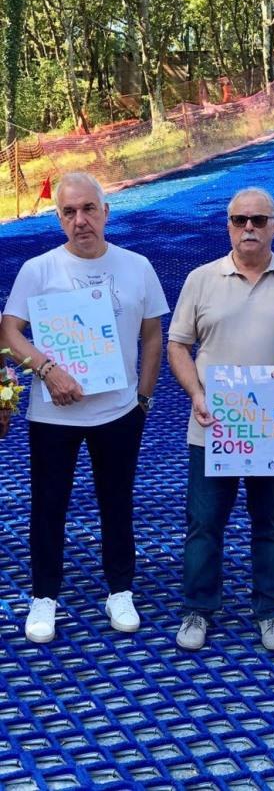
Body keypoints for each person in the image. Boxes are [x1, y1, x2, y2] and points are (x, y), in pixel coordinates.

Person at [0, 172, 168, 642]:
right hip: (53, 416)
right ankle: (44, 597)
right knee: (48, 504)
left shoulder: (137, 266)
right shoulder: (39, 270)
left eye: (89, 209)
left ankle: (120, 590)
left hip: (118, 411)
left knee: (117, 502)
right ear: (59, 219)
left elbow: (153, 336)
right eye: (69, 212)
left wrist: (143, 399)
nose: (81, 220)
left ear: (105, 211)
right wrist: (47, 370)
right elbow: (8, 331)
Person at [168, 187, 274, 652]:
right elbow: (177, 345)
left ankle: (270, 611)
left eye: (259, 220)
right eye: (240, 219)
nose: (249, 227)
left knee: (271, 523)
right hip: (213, 427)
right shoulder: (201, 279)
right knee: (204, 523)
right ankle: (197, 608)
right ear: (228, 226)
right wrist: (196, 394)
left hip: (272, 427)